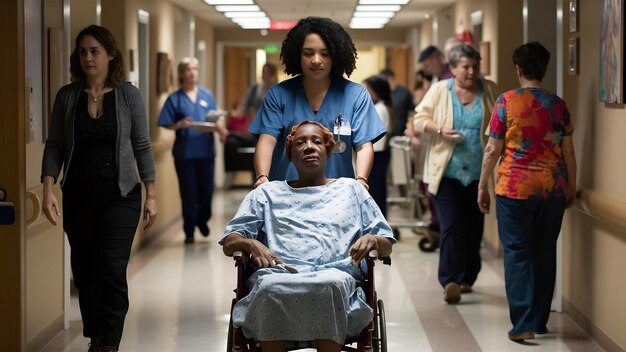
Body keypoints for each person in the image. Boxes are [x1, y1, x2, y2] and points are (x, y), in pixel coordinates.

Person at [220, 121, 395, 352]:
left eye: (317, 141)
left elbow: (386, 244)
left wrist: (373, 240)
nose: (309, 147)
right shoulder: (266, 193)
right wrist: (249, 242)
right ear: (290, 155)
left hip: (335, 275)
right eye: (300, 143)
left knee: (328, 285)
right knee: (270, 286)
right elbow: (230, 241)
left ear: (328, 151)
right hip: (279, 273)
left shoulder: (352, 190)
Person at [41, 25, 157, 352]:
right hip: (78, 196)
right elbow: (54, 146)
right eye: (82, 51)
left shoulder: (128, 95)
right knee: (85, 270)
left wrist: (151, 195)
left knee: (112, 268)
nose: (88, 57)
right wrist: (48, 188)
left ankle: (109, 343)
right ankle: (95, 334)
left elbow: (143, 146)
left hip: (121, 195)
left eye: (95, 51)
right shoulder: (67, 96)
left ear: (110, 54)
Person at [477, 42, 577, 342]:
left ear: (518, 69)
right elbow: (568, 152)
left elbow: (492, 149)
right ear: (544, 69)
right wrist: (571, 184)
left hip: (514, 190)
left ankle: (522, 324)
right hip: (552, 190)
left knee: (518, 253)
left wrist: (482, 185)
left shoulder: (506, 102)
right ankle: (540, 319)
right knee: (544, 251)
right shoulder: (558, 105)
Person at [249, 16, 386, 190]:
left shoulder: (355, 95)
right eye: (308, 53)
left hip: (339, 194)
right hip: (287, 192)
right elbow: (267, 140)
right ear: (298, 55)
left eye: (325, 53)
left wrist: (361, 180)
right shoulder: (279, 95)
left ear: (335, 56)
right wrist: (262, 177)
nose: (316, 60)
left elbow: (364, 145)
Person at [413, 43, 499, 304]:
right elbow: (418, 120)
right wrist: (438, 130)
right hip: (446, 172)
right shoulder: (440, 90)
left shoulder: (491, 90)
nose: (471, 72)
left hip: (478, 174)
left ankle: (468, 277)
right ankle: (449, 280)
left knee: (473, 228)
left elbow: (502, 125)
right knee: (451, 225)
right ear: (453, 68)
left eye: (475, 66)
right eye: (465, 67)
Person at [157, 57, 228, 244]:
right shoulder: (175, 98)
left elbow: (215, 118)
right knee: (189, 192)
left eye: (195, 69)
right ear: (181, 73)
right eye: (188, 69)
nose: (192, 72)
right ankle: (189, 229)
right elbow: (165, 123)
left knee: (206, 191)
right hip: (185, 153)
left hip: (205, 151)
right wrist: (180, 124)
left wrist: (220, 129)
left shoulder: (207, 95)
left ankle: (202, 220)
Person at [363, 75, 395, 217]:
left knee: (376, 194)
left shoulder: (380, 109)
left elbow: (376, 140)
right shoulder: (381, 107)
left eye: (367, 89)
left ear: (376, 91)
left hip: (377, 154)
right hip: (378, 154)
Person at [378, 68, 415, 137]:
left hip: (400, 134)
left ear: (391, 79)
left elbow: (412, 112)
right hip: (384, 134)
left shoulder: (404, 92)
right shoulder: (381, 94)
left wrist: (410, 128)